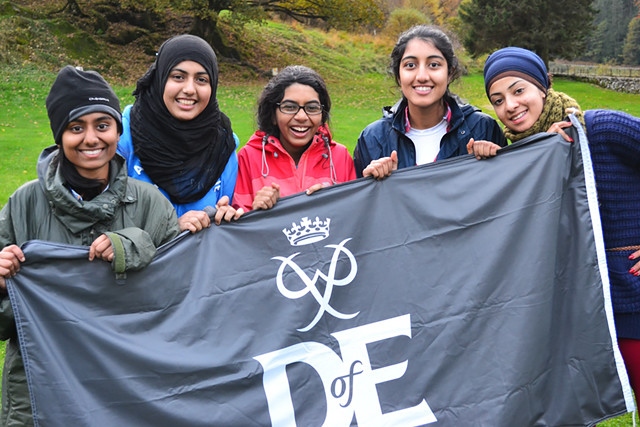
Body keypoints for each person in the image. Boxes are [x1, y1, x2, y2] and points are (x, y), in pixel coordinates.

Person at [0, 65, 182, 426]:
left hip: (130, 387)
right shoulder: (24, 205)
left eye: (102, 125)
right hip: (42, 390)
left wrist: (136, 244)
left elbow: (180, 300)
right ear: (59, 135)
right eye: (76, 127)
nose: (91, 139)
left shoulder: (150, 204)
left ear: (118, 130)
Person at [467, 46, 640, 399]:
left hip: (631, 299)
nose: (510, 106)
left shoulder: (602, 128)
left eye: (518, 90)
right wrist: (487, 163)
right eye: (497, 100)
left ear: (543, 86)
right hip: (574, 312)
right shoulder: (521, 159)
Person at [117, 34, 243, 231]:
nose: (189, 89)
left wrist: (227, 216)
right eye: (178, 77)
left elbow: (232, 217)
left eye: (201, 79)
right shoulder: (123, 135)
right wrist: (170, 229)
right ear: (160, 78)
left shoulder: (223, 144)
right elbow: (105, 218)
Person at [353, 25, 506, 179]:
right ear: (399, 76)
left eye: (434, 65)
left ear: (450, 73)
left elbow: (504, 192)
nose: (422, 76)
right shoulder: (373, 138)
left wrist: (490, 164)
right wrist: (370, 184)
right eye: (410, 65)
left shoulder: (482, 129)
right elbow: (362, 201)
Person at [232, 65, 356, 211]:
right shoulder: (249, 157)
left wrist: (331, 202)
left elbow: (353, 215)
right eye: (290, 107)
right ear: (273, 115)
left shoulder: (340, 157)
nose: (301, 117)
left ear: (323, 115)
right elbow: (237, 223)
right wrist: (255, 211)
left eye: (312, 108)